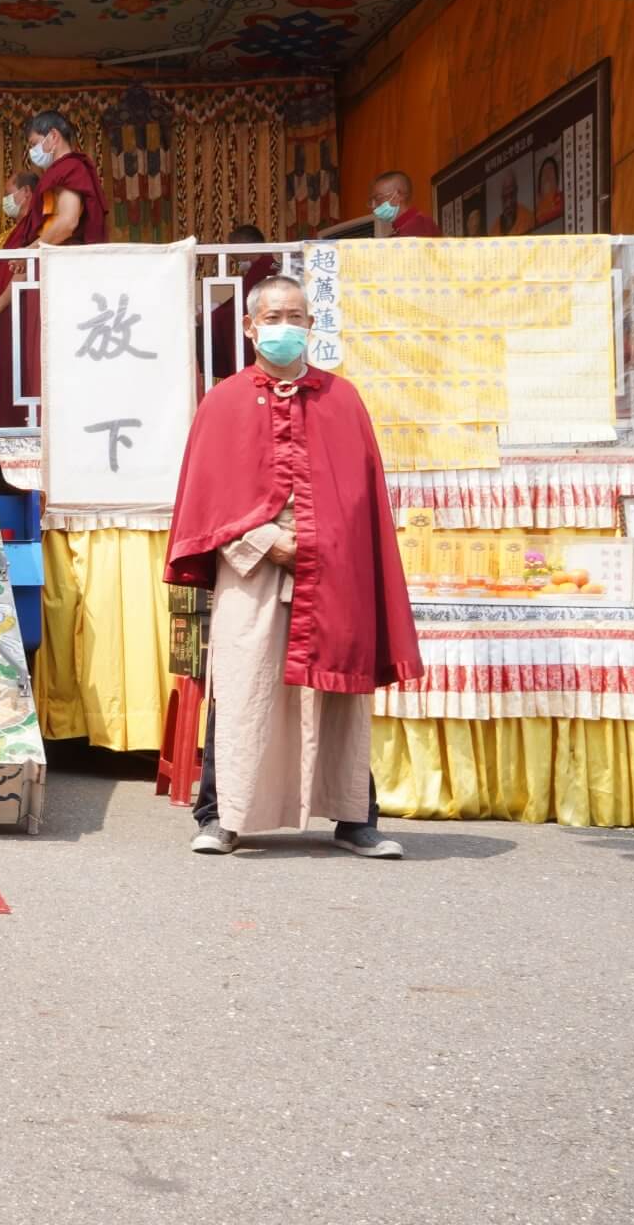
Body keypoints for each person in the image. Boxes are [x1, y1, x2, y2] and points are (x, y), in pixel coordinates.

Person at [166, 276, 421, 858]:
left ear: (310, 325)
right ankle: (220, 816)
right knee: (241, 685)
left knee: (340, 689)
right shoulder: (224, 401)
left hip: (331, 570)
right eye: (273, 316)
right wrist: (262, 539)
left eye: (296, 316)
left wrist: (324, 538)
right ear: (252, 327)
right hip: (251, 568)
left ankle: (356, 816)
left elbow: (361, 495)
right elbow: (206, 499)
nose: (285, 326)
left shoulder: (342, 398)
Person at [0, 112, 110, 429]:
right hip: (50, 272)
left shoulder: (70, 169)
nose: (33, 151)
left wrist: (30, 251)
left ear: (53, 136)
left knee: (53, 362)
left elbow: (67, 221)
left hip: (63, 275)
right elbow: (53, 224)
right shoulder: (58, 173)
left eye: (33, 143)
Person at [205, 224, 279, 381]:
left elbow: (241, 306)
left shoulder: (263, 267)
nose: (234, 257)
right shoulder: (270, 264)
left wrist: (210, 316)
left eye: (233, 250)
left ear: (242, 246)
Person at [369, 171, 441, 238]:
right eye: (371, 201)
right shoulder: (401, 227)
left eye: (378, 198)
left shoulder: (419, 225)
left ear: (397, 196)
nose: (373, 206)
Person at [495, 169, 534, 236]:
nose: (509, 203)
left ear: (516, 191)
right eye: (505, 197)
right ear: (501, 197)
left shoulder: (528, 218)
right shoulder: (494, 229)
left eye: (512, 194)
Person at [534, 156, 563, 227]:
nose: (547, 174)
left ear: (557, 178)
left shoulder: (563, 199)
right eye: (544, 171)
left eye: (550, 169)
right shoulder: (533, 215)